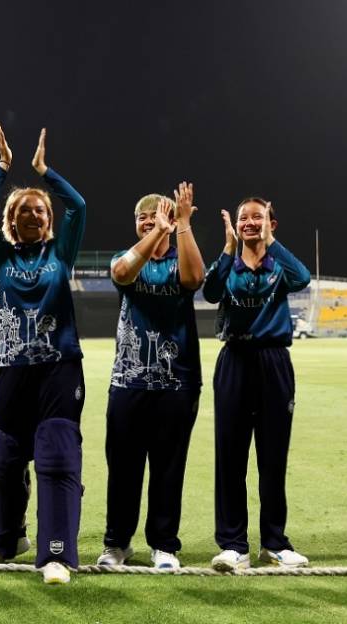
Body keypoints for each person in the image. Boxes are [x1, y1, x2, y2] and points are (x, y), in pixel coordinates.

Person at [0, 123, 86, 585]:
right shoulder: (2, 260)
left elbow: (78, 205)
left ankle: (55, 552)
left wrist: (44, 172)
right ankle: (4, 539)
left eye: (41, 210)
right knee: (5, 454)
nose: (35, 215)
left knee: (57, 452)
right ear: (13, 220)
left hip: (59, 368)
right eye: (26, 211)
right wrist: (2, 169)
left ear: (48, 218)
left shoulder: (62, 252)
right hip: (12, 370)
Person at [97, 183, 204, 570]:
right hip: (129, 381)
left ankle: (164, 545)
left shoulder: (180, 255)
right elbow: (123, 273)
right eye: (143, 218)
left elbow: (194, 280)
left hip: (178, 382)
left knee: (168, 466)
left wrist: (183, 223)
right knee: (123, 466)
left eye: (157, 217)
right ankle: (116, 543)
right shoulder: (126, 258)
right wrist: (159, 229)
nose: (150, 222)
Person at [202, 197, 311, 572]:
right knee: (230, 457)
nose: (249, 222)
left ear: (271, 224)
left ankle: (274, 543)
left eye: (258, 217)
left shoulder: (278, 265)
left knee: (272, 456)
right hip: (234, 359)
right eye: (243, 217)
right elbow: (211, 292)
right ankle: (234, 545)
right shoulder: (228, 264)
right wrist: (228, 248)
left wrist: (271, 242)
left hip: (274, 362)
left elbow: (303, 278)